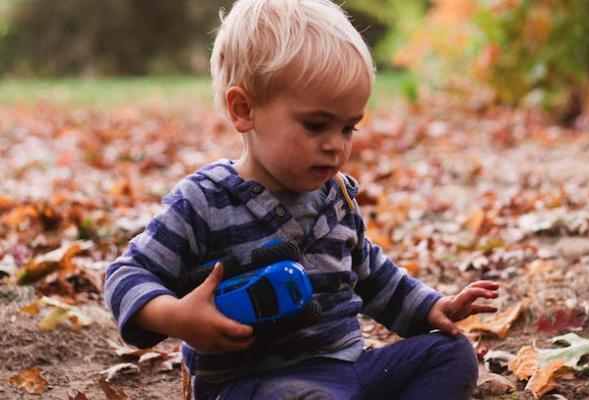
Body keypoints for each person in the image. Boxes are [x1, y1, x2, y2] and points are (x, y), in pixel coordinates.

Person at [104, 0, 500, 399]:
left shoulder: (337, 196)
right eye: (316, 125)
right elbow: (126, 274)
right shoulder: (203, 201)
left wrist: (431, 307)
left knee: (451, 354)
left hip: (347, 371)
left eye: (349, 128)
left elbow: (372, 275)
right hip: (254, 385)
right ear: (244, 110)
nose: (335, 146)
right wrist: (175, 317)